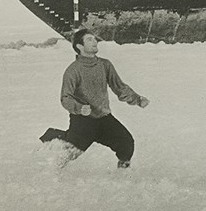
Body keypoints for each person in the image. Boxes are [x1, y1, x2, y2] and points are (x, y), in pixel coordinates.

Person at [40, 29, 149, 167]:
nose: (95, 41)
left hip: (104, 117)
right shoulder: (73, 70)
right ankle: (51, 137)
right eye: (89, 39)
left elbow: (119, 87)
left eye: (95, 39)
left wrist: (137, 99)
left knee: (126, 143)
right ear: (79, 46)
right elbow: (65, 97)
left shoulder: (105, 64)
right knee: (72, 151)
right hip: (83, 120)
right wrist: (79, 108)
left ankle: (122, 175)